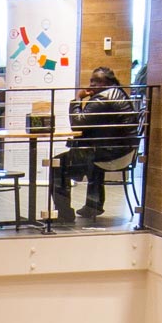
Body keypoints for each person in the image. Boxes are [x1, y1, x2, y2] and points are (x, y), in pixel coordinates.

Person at [49, 66, 137, 224]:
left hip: (110, 154)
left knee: (57, 164)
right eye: (91, 81)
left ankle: (64, 214)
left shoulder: (103, 98)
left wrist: (77, 99)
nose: (92, 85)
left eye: (97, 82)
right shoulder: (118, 93)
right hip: (121, 151)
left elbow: (77, 123)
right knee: (85, 155)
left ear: (107, 83)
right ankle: (93, 205)